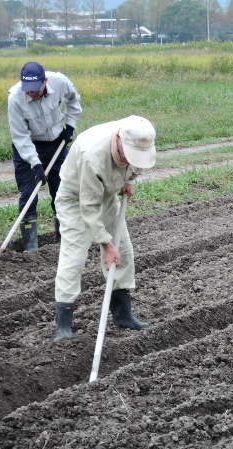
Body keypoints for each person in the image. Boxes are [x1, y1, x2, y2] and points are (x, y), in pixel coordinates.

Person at [53, 115, 156, 341]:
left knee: (124, 252)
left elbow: (139, 164)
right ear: (119, 141)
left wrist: (129, 180)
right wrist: (107, 244)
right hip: (76, 199)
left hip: (108, 196)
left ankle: (123, 315)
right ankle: (63, 325)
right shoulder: (92, 155)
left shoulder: (141, 137)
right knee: (75, 257)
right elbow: (88, 208)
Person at [8, 61, 82, 251]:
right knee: (28, 193)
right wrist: (35, 164)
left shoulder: (60, 82)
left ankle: (64, 241)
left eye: (35, 89)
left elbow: (74, 100)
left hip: (56, 144)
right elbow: (20, 136)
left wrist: (71, 125)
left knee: (62, 191)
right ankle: (31, 248)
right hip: (28, 146)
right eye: (28, 90)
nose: (31, 93)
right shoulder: (16, 98)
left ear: (45, 81)